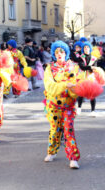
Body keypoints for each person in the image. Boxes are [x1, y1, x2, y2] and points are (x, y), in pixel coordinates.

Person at [43, 40, 83, 169]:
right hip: (53, 105)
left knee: (68, 129)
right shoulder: (50, 68)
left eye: (62, 51)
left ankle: (73, 158)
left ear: (66, 53)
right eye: (56, 51)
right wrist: (65, 85)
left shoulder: (73, 67)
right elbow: (49, 87)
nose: (59, 54)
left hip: (68, 105)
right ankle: (52, 151)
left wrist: (74, 90)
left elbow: (77, 87)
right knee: (55, 129)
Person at [76, 41, 98, 116]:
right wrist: (90, 67)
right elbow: (82, 67)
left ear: (90, 48)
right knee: (81, 94)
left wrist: (91, 68)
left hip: (91, 78)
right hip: (82, 78)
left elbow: (95, 68)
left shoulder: (94, 58)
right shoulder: (81, 57)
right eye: (85, 47)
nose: (86, 49)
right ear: (83, 49)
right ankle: (79, 108)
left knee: (92, 95)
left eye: (87, 47)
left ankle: (93, 111)